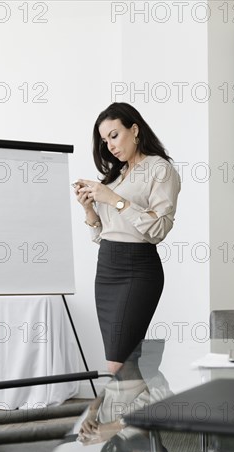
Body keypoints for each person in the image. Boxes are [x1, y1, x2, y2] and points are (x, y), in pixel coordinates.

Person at [74, 102, 181, 375]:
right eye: (104, 140)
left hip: (137, 268)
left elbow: (159, 229)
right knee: (123, 360)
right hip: (107, 267)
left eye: (114, 135)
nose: (109, 145)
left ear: (134, 130)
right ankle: (140, 412)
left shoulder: (160, 169)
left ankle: (126, 414)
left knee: (117, 364)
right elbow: (101, 236)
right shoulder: (117, 174)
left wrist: (113, 199)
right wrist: (89, 208)